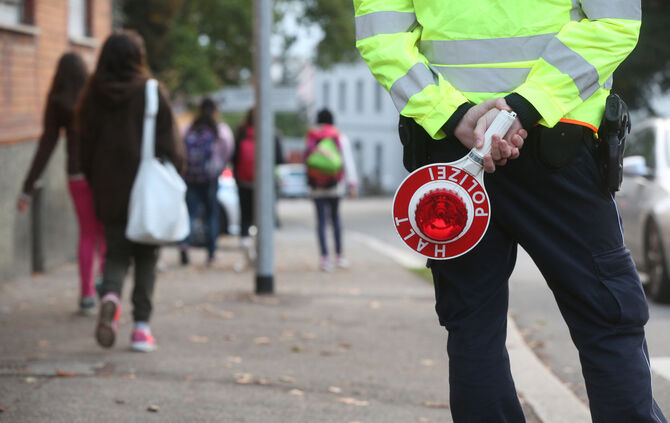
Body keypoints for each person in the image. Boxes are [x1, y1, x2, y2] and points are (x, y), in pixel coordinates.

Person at [355, 1, 667, 422]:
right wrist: (524, 106)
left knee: (472, 325)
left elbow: (381, 34)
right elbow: (614, 21)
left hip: (453, 154)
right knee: (607, 318)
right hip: (560, 143)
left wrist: (453, 115)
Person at [77, 31, 184, 353]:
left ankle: (109, 296)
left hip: (109, 189)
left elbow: (84, 146)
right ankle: (140, 329)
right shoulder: (151, 93)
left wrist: (96, 180)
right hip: (147, 191)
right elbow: (172, 148)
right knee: (146, 258)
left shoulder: (92, 95)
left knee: (115, 253)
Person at [17, 52, 105, 316]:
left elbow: (47, 144)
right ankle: (106, 283)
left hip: (76, 174)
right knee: (104, 233)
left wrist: (27, 187)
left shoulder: (58, 100)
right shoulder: (95, 95)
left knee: (87, 233)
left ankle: (87, 295)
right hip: (101, 173)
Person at [180, 98, 233, 266]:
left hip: (190, 176)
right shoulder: (220, 130)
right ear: (215, 110)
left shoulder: (190, 128)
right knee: (211, 215)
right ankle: (211, 253)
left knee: (189, 213)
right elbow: (228, 151)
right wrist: (219, 167)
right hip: (210, 178)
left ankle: (184, 245)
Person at [305, 109, 358, 271]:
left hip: (316, 186)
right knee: (335, 219)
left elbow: (307, 160)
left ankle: (324, 258)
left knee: (320, 221)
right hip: (335, 185)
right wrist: (352, 184)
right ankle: (339, 256)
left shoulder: (312, 137)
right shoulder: (339, 137)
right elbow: (347, 161)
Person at [231, 109, 284, 264]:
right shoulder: (272, 134)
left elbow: (234, 157)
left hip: (244, 181)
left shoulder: (241, 133)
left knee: (246, 216)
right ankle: (262, 251)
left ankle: (246, 246)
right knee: (264, 217)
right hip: (265, 183)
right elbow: (280, 159)